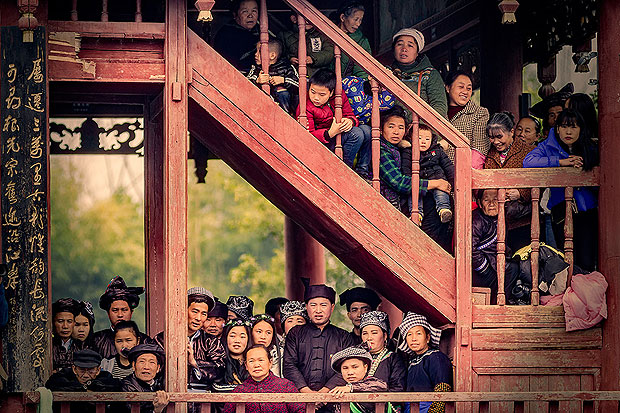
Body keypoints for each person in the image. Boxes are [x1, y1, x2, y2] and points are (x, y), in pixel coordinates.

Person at [523, 109, 599, 272]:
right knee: (566, 261)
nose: (568, 132)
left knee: (587, 260)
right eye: (564, 126)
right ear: (557, 129)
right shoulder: (548, 145)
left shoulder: (590, 147)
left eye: (573, 127)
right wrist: (560, 162)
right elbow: (528, 162)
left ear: (581, 129)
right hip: (561, 211)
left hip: (587, 211)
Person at [296, 68, 372, 180]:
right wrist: (329, 133)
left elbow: (349, 114)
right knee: (356, 133)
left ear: (331, 92)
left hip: (337, 133)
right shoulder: (306, 105)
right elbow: (307, 136)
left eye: (322, 94)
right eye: (313, 92)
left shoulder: (338, 96)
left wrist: (350, 121)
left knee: (367, 130)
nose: (316, 98)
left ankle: (362, 171)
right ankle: (344, 170)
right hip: (324, 141)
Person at [283, 284, 355, 399]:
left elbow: (348, 368)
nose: (318, 310)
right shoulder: (295, 333)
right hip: (300, 398)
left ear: (332, 307)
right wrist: (306, 392)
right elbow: (289, 366)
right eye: (313, 305)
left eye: (323, 305)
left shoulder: (344, 336)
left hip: (334, 398)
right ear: (307, 307)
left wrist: (325, 393)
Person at [378, 106, 451, 215]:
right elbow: (398, 182)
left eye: (401, 127)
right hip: (388, 203)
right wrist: (436, 183)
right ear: (380, 129)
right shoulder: (381, 150)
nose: (396, 132)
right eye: (391, 127)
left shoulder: (400, 147)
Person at [155, 287, 226, 392]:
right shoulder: (162, 339)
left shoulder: (211, 341)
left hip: (203, 398)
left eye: (204, 314)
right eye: (195, 311)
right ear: (184, 311)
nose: (198, 318)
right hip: (170, 395)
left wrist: (194, 362)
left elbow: (220, 369)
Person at [484, 112, 536, 252]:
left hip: (523, 220)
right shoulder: (490, 154)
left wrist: (520, 193)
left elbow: (540, 182)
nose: (495, 142)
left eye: (499, 136)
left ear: (511, 132)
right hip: (497, 217)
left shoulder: (529, 152)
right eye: (491, 137)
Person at [472, 189, 532, 304]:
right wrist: (484, 268)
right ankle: (497, 304)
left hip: (495, 262)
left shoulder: (504, 210)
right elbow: (471, 250)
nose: (491, 204)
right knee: (510, 270)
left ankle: (501, 302)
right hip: (483, 268)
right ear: (479, 203)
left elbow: (526, 209)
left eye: (495, 199)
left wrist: (522, 195)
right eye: (486, 200)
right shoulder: (476, 220)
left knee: (516, 268)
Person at [222, 345, 304, 413]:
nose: (256, 365)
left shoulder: (285, 386)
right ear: (246, 366)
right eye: (251, 361)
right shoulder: (239, 391)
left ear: (270, 362)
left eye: (261, 360)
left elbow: (300, 410)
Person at [397, 313, 452, 413]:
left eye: (418, 333)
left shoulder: (436, 357)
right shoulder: (412, 362)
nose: (414, 338)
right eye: (409, 334)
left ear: (428, 338)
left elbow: (443, 389)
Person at [390, 28, 447, 118]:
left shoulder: (430, 74)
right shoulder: (387, 72)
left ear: (417, 52)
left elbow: (439, 107)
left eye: (410, 45)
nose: (404, 49)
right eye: (399, 44)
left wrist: (420, 125)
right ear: (394, 49)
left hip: (422, 125)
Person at [46, 349, 121, 413]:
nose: (85, 375)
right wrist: (84, 388)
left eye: (91, 371)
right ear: (74, 369)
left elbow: (114, 386)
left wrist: (89, 384)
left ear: (98, 370)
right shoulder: (64, 374)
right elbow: (52, 384)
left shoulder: (105, 376)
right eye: (82, 370)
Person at [94, 275, 151, 359]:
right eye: (115, 310)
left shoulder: (145, 341)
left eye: (124, 310)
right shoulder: (97, 340)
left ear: (131, 312)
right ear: (108, 313)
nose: (120, 315)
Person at [442, 70, 490, 168]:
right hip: (437, 172)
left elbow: (480, 148)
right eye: (461, 87)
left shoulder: (479, 113)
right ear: (448, 88)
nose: (465, 92)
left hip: (464, 171)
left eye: (469, 88)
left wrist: (464, 171)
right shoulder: (438, 111)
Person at [246, 39, 300, 114]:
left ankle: (285, 114)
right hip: (262, 107)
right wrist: (257, 80)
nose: (255, 54)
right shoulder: (256, 68)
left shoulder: (287, 67)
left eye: (260, 52)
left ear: (272, 56)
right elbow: (246, 83)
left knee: (282, 91)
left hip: (285, 107)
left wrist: (283, 80)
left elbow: (299, 86)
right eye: (256, 51)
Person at [328, 346, 388, 413]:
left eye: (355, 367)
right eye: (345, 368)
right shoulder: (340, 391)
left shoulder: (372, 383)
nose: (350, 372)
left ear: (365, 368)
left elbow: (381, 386)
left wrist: (351, 388)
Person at [416, 124, 455, 224]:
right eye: (419, 138)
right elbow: (406, 168)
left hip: (437, 178)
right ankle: (417, 215)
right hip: (420, 182)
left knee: (441, 192)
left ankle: (444, 210)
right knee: (415, 194)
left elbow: (448, 167)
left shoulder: (437, 151)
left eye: (427, 139)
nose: (423, 141)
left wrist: (452, 184)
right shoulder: (409, 151)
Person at [359, 311, 406, 392]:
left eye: (374, 333)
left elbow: (398, 388)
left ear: (385, 336)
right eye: (365, 333)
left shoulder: (394, 359)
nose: (369, 338)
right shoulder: (357, 358)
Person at [213, 0, 261, 74]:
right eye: (245, 11)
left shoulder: (260, 31)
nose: (250, 15)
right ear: (235, 15)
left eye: (254, 11)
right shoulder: (226, 34)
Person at [280, 13, 334, 77]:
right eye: (305, 18)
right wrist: (290, 59)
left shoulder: (322, 35)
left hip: (318, 76)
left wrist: (313, 58)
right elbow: (279, 55)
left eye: (311, 17)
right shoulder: (285, 36)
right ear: (294, 19)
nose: (308, 21)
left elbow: (329, 52)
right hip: (293, 75)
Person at [121, 343, 168, 413]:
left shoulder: (159, 384)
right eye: (142, 361)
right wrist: (157, 410)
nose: (146, 367)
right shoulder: (126, 386)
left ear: (158, 368)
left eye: (152, 362)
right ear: (133, 365)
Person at [333, 1, 371, 79]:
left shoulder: (362, 41)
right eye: (356, 19)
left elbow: (362, 70)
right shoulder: (328, 32)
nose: (358, 24)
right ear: (343, 17)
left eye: (360, 20)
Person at [213, 319, 251, 393]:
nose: (237, 341)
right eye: (232, 336)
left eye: (242, 337)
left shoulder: (253, 364)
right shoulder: (218, 363)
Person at [52, 297, 80, 372]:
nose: (65, 326)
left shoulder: (81, 346)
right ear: (53, 323)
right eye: (60, 321)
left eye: (69, 321)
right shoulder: (48, 346)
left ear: (74, 323)